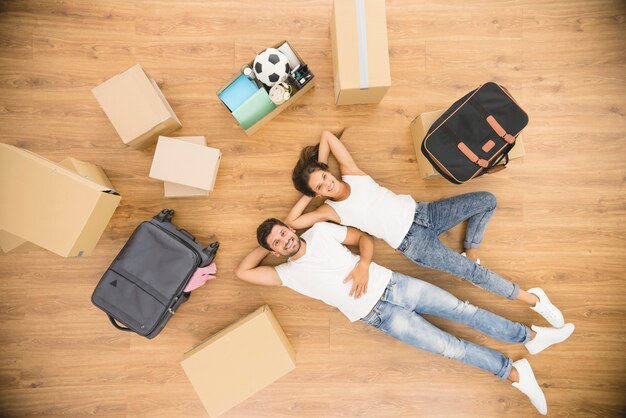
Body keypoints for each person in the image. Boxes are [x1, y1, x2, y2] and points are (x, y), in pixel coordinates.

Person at [235, 219, 575, 415]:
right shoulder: (287, 273)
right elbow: (243, 271)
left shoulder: (321, 232)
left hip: (394, 285)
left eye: (283, 232)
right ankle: (515, 373)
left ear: (290, 228)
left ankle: (531, 337)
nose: (284, 240)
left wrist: (364, 265)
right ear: (275, 251)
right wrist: (267, 244)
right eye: (277, 242)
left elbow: (363, 239)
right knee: (450, 348)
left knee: (463, 311)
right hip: (377, 315)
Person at [287, 130, 564, 328]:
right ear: (318, 194)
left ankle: (471, 249)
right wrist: (310, 195)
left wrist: (317, 166)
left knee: (487, 201)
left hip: (425, 213)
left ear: (329, 171)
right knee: (473, 274)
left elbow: (326, 136)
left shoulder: (351, 172)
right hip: (413, 244)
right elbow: (293, 223)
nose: (327, 184)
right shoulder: (332, 210)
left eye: (325, 177)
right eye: (320, 187)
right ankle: (534, 300)